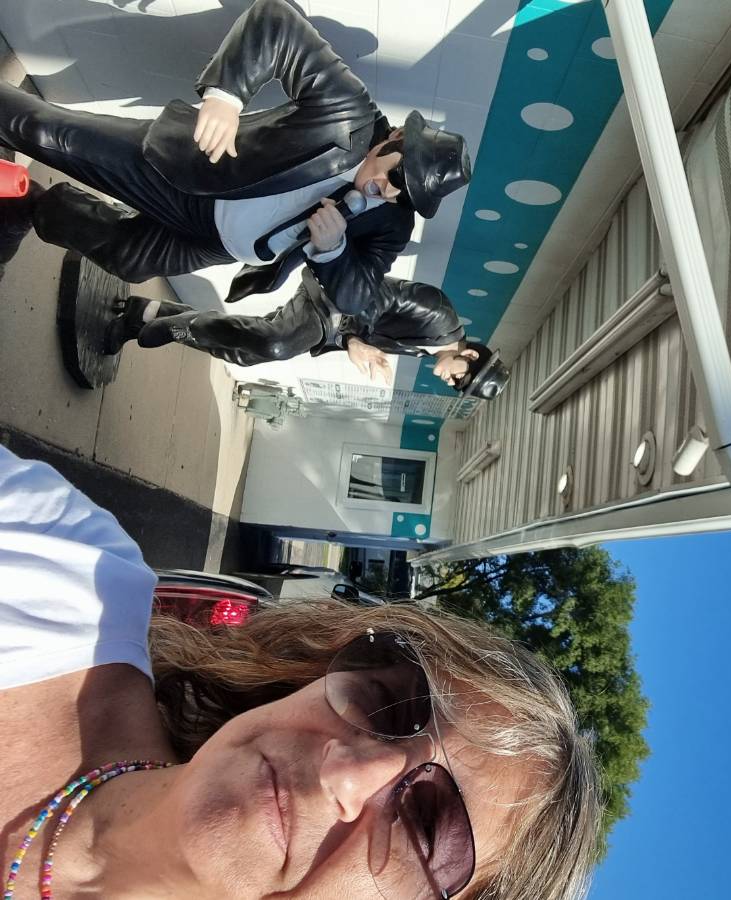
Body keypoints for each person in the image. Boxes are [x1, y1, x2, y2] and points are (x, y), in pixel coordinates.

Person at [0, 444, 600, 898]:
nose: (344, 772)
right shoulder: (51, 566)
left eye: (427, 827)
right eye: (384, 700)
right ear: (308, 676)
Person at [0, 0, 471, 314]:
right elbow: (276, 20)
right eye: (397, 177)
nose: (389, 193)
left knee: (128, 259)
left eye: (405, 197)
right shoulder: (349, 111)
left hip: (218, 245)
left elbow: (358, 296)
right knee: (46, 133)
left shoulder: (392, 223)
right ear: (394, 142)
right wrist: (227, 95)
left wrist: (334, 250)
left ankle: (26, 204)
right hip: (192, 177)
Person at [106, 269, 512, 400]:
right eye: (462, 378)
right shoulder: (436, 312)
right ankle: (170, 326)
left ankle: (149, 314)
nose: (453, 382)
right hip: (329, 296)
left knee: (244, 353)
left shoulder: (428, 349)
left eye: (459, 387)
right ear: (470, 355)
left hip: (330, 323)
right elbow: (368, 294)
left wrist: (354, 342)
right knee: (274, 344)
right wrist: (355, 342)